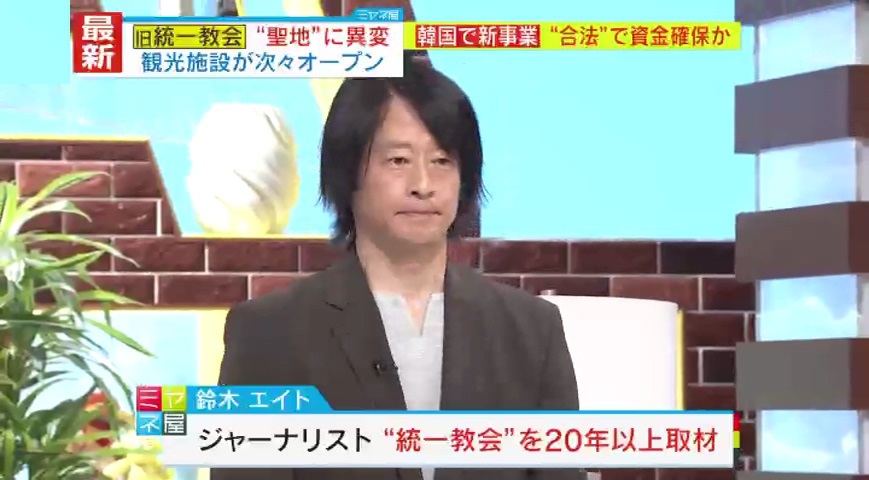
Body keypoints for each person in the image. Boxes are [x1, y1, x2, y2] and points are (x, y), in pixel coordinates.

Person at [213, 53, 583, 480]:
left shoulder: (531, 331)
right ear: (347, 173)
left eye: (442, 161)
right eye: (398, 160)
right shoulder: (268, 333)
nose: (423, 185)